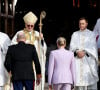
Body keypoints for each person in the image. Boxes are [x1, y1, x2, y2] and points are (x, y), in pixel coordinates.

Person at [11, 11, 47, 90]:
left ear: (34, 25)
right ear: (25, 24)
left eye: (32, 25)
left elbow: (43, 49)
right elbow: (12, 47)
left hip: (32, 68)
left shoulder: (38, 34)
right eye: (28, 25)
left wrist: (41, 40)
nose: (30, 27)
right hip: (20, 68)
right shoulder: (19, 33)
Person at [70, 17, 99, 90]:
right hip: (78, 60)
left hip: (88, 61)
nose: (81, 25)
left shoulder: (91, 34)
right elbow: (72, 46)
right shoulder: (75, 34)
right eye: (80, 24)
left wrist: (85, 51)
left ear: (86, 24)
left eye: (83, 24)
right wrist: (77, 51)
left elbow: (93, 47)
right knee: (78, 82)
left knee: (89, 81)